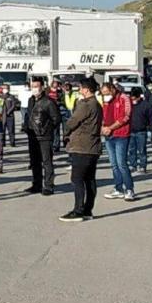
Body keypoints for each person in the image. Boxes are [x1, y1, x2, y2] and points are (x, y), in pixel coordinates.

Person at [59, 78, 103, 222]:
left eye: (81, 88)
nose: (80, 90)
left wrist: (66, 130)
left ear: (86, 89)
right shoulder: (97, 104)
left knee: (77, 178)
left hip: (82, 146)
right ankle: (87, 209)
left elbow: (73, 121)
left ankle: (78, 210)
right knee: (89, 179)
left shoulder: (85, 104)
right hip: (93, 146)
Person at [23, 77, 61, 195]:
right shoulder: (31, 100)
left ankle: (49, 185)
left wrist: (46, 129)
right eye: (33, 86)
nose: (34, 89)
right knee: (34, 161)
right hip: (32, 135)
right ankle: (37, 184)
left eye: (37, 86)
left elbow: (56, 119)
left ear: (42, 87)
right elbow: (29, 115)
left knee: (47, 161)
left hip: (44, 136)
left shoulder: (49, 102)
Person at [100, 82, 135, 201]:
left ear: (112, 89)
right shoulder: (105, 101)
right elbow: (104, 115)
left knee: (122, 164)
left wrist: (111, 127)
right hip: (109, 136)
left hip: (121, 135)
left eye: (106, 92)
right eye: (103, 93)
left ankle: (129, 189)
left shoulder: (124, 98)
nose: (105, 95)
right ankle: (118, 188)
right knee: (114, 165)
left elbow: (125, 116)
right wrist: (103, 127)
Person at [128, 87, 152, 175]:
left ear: (139, 97)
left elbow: (151, 117)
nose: (133, 99)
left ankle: (143, 166)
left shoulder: (146, 105)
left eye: (135, 98)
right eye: (132, 98)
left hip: (141, 131)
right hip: (131, 131)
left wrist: (150, 128)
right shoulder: (129, 105)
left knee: (142, 150)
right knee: (131, 150)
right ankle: (132, 165)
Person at [48, 80, 65, 153]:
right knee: (51, 130)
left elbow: (63, 101)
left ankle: (57, 146)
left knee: (57, 130)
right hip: (50, 112)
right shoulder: (47, 91)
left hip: (58, 111)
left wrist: (58, 101)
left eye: (56, 84)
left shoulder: (60, 92)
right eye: (54, 84)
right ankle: (52, 145)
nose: (55, 86)